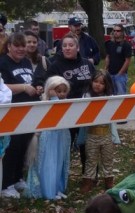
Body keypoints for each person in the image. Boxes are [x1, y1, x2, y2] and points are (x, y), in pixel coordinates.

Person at [46, 33, 95, 173]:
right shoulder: (56, 66)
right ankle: (62, 174)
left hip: (86, 110)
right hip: (65, 112)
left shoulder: (87, 64)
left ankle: (89, 174)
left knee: (86, 144)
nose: (67, 48)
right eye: (64, 46)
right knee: (66, 144)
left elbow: (96, 82)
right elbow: (48, 86)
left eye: (71, 45)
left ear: (77, 48)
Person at [0, 32, 40, 198]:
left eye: (23, 46)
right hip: (11, 111)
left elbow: (29, 81)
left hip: (28, 110)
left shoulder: (26, 61)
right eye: (17, 45)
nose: (21, 49)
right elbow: (3, 86)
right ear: (9, 46)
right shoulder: (3, 62)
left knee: (23, 144)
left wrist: (35, 88)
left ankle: (17, 177)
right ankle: (6, 184)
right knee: (12, 147)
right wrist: (23, 87)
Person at [24, 76, 71, 200]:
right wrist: (52, 96)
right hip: (48, 136)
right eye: (58, 91)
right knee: (49, 163)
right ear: (49, 90)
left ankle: (57, 188)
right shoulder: (44, 103)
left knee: (59, 162)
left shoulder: (67, 103)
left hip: (61, 136)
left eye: (63, 91)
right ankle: (48, 191)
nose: (61, 94)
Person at [80, 70, 115, 192]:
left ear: (107, 85)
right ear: (91, 82)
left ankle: (109, 181)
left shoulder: (109, 98)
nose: (98, 85)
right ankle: (88, 181)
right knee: (90, 159)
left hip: (106, 134)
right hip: (91, 134)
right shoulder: (86, 96)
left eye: (101, 83)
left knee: (108, 158)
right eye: (95, 81)